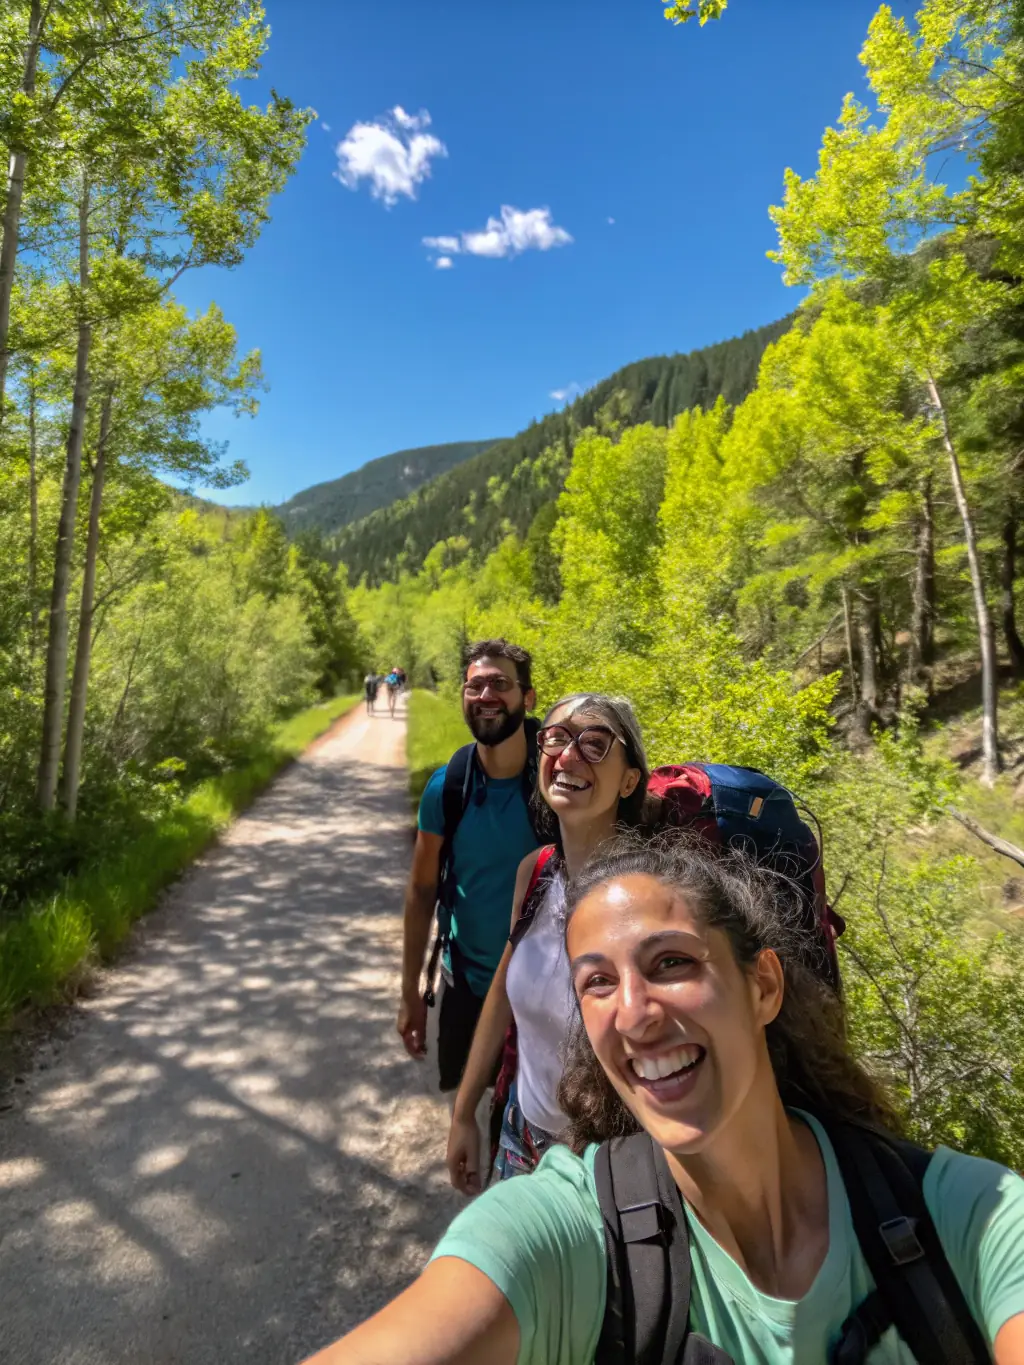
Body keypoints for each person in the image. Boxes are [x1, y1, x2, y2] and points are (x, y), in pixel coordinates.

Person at [305, 832, 1024, 1365]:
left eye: (671, 962)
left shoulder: (966, 1217)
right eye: (597, 982)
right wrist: (465, 1106)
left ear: (764, 985)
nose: (635, 1012)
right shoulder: (571, 1233)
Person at [446, 693, 648, 1192]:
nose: (568, 755)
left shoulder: (648, 899)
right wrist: (464, 1109)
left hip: (609, 1162)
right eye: (556, 738)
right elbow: (504, 991)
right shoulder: (535, 874)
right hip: (523, 1132)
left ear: (629, 780)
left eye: (596, 743)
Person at [397, 639, 541, 1116]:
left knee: (534, 1117)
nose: (486, 695)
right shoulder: (448, 788)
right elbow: (421, 893)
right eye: (475, 685)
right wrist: (410, 994)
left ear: (528, 697)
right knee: (475, 1099)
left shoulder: (558, 783)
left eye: (500, 684)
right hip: (467, 985)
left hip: (543, 995)